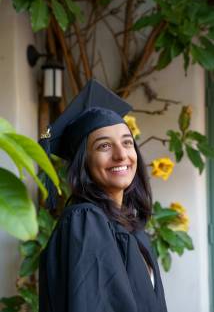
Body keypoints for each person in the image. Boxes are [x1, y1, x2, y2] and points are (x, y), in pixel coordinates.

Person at [39, 79, 168, 312]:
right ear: (83, 162)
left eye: (127, 143)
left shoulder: (131, 227)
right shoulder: (85, 220)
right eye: (104, 146)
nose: (121, 155)